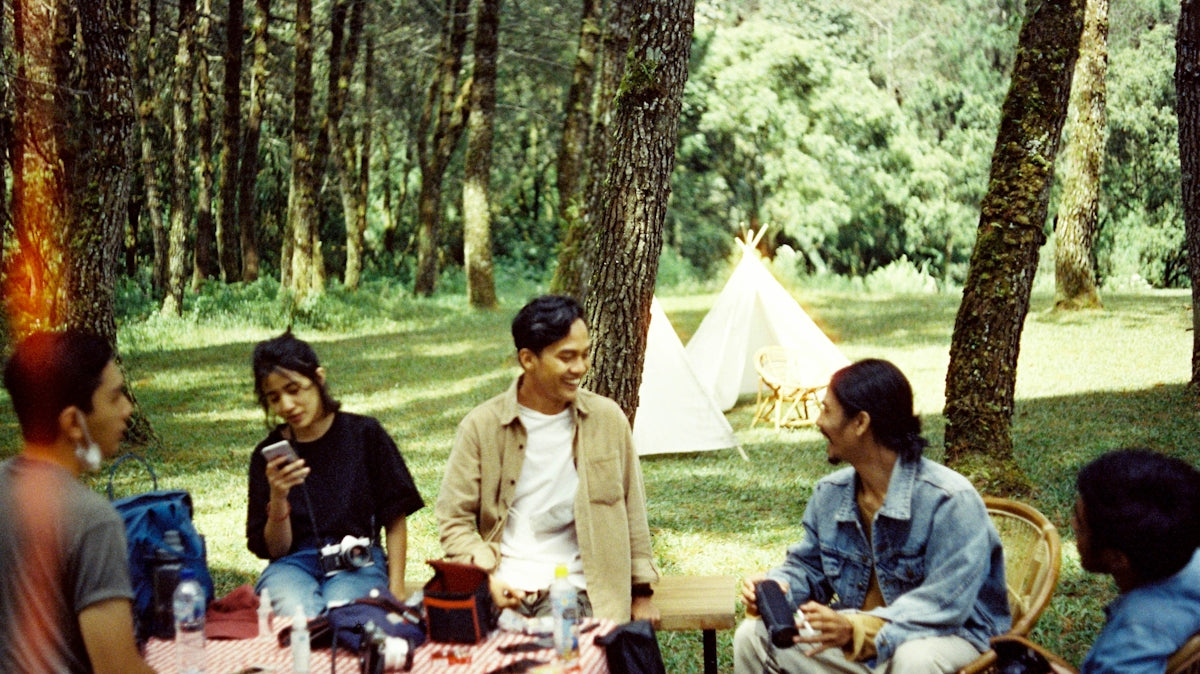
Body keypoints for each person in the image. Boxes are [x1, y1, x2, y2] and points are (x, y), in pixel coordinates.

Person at [734, 358, 1010, 674]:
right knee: (752, 636)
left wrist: (858, 628)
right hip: (859, 641)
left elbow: (943, 604)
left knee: (914, 659)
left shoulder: (949, 499)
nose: (818, 422)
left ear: (860, 423)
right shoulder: (830, 493)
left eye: (827, 411)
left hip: (948, 637)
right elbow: (807, 569)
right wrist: (776, 589)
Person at [435, 294, 660, 624]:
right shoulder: (481, 426)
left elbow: (632, 511)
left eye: (584, 355)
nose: (580, 368)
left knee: (557, 649)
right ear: (528, 359)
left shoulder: (607, 419)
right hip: (502, 587)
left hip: (576, 592)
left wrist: (641, 593)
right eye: (567, 357)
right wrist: (483, 577)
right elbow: (453, 518)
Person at [0, 330, 155, 674]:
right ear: (73, 422)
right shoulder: (92, 520)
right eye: (115, 398)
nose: (128, 409)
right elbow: (116, 669)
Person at [245, 331, 424, 620]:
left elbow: (395, 516)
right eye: (274, 397)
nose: (286, 405)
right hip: (292, 565)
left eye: (294, 389)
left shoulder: (364, 435)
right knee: (297, 617)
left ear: (318, 378)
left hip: (357, 559)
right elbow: (276, 550)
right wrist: (278, 497)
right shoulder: (268, 456)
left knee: (345, 616)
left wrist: (397, 587)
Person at [1070, 448, 1200, 674]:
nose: (1072, 524)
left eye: (1080, 524)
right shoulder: (1188, 553)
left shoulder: (1128, 646)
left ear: (1117, 558)